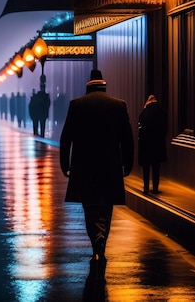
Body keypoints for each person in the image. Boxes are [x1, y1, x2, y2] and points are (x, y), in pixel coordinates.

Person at [59, 69, 134, 278]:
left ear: (88, 86)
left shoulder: (77, 105)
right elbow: (127, 139)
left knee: (89, 208)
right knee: (106, 207)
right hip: (110, 167)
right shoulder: (118, 105)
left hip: (85, 166)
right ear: (104, 86)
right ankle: (102, 243)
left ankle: (96, 245)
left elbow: (66, 139)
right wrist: (128, 165)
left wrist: (65, 165)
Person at [138, 94, 168, 194]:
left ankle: (146, 187)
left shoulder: (144, 112)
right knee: (156, 167)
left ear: (148, 101)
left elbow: (140, 129)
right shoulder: (162, 112)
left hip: (146, 144)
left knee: (146, 167)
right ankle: (155, 188)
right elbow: (165, 129)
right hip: (157, 144)